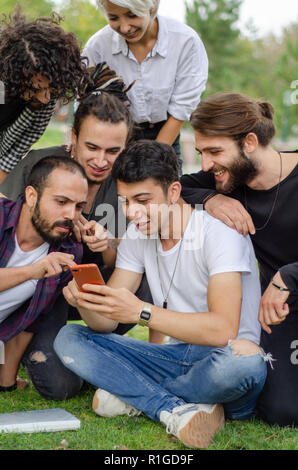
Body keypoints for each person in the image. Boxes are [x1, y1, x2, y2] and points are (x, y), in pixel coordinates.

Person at [53, 140, 267, 449]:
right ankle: (174, 408)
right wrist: (86, 303)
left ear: (174, 192)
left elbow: (223, 330)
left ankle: (137, 394)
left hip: (224, 356)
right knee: (70, 338)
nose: (133, 212)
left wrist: (141, 312)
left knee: (245, 364)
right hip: (173, 357)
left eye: (143, 199)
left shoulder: (219, 233)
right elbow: (105, 324)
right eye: (126, 201)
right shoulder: (138, 235)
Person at [0, 66, 160, 400]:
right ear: (73, 136)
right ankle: (59, 354)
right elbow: (8, 219)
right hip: (40, 288)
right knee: (58, 385)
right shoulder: (40, 166)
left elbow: (126, 261)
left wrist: (107, 244)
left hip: (94, 287)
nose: (101, 161)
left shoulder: (127, 185)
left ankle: (105, 348)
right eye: (92, 147)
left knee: (146, 279)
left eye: (113, 151)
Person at [180, 92, 298, 427]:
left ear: (249, 142)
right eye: (202, 152)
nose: (205, 164)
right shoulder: (227, 181)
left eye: (214, 152)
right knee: (282, 412)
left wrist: (289, 275)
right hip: (281, 311)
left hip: (284, 287)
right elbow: (175, 185)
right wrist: (212, 199)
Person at [83, 0, 208, 173]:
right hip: (113, 136)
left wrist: (151, 159)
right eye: (113, 17)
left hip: (166, 131)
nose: (125, 28)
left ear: (153, 6)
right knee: (112, 198)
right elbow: (85, 105)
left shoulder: (186, 42)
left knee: (160, 194)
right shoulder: (97, 46)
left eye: (132, 15)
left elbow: (181, 109)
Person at [0, 156, 88, 392]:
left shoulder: (68, 250)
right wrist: (32, 271)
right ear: (31, 196)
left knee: (62, 386)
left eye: (79, 206)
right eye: (61, 201)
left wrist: (6, 382)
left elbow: (29, 319)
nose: (71, 214)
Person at [0, 7, 89, 183]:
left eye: (51, 89)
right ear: (15, 76)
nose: (45, 99)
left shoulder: (46, 98)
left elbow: (13, 154)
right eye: (35, 90)